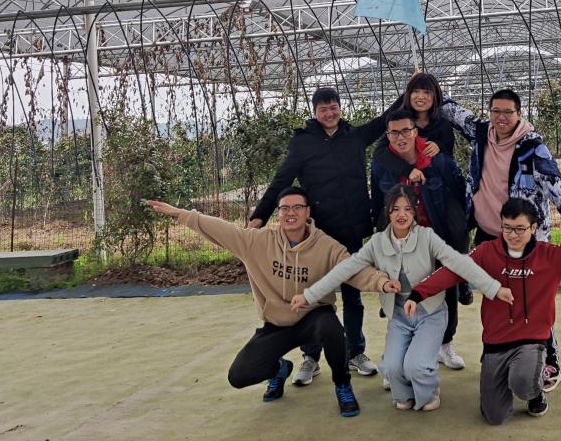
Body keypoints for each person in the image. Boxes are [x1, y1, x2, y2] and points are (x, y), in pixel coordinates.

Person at [146, 188, 398, 418]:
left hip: (313, 317)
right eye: (285, 208)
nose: (291, 213)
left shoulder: (326, 247)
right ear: (279, 213)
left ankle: (342, 384)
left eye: (297, 207)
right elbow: (222, 229)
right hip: (276, 323)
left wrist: (382, 282)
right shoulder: (258, 241)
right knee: (239, 375)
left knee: (333, 330)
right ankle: (279, 369)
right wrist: (181, 214)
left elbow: (353, 269)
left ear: (308, 212)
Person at [406, 197, 561, 424]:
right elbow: (454, 270)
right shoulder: (486, 253)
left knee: (522, 382)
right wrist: (419, 293)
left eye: (520, 229)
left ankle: (534, 391)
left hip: (532, 340)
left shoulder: (550, 256)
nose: (512, 235)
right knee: (494, 416)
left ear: (533, 228)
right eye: (507, 228)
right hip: (496, 342)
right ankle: (503, 379)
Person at [291, 184, 512, 411]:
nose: (402, 214)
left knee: (416, 367)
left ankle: (429, 389)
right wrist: (309, 295)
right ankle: (405, 391)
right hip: (399, 316)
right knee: (393, 370)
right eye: (395, 209)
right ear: (388, 212)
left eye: (407, 209)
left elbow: (459, 262)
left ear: (415, 211)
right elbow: (344, 269)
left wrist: (494, 288)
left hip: (431, 313)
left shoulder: (427, 236)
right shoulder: (377, 242)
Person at [248, 87, 398, 386]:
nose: (329, 113)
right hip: (317, 235)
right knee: (311, 295)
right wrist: (260, 214)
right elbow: (282, 179)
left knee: (353, 296)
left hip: (352, 229)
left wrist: (410, 90)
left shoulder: (354, 137)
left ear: (340, 108)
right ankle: (311, 357)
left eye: (333, 107)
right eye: (323, 109)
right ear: (315, 112)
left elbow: (386, 119)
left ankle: (356, 352)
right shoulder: (303, 142)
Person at [440, 87, 561, 390]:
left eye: (508, 112)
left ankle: (548, 359)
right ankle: (498, 353)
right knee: (495, 297)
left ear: (519, 114)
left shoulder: (532, 146)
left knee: (533, 300)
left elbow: (553, 178)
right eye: (496, 111)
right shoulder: (481, 133)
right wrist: (431, 90)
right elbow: (454, 113)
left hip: (523, 237)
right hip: (489, 233)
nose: (501, 117)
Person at [372, 79, 473, 370]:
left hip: (435, 222)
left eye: (426, 92)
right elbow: (379, 165)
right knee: (402, 286)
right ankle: (398, 351)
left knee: (446, 279)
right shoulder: (386, 153)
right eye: (415, 91)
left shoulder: (441, 131)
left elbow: (452, 172)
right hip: (403, 233)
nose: (420, 96)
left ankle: (446, 341)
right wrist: (409, 169)